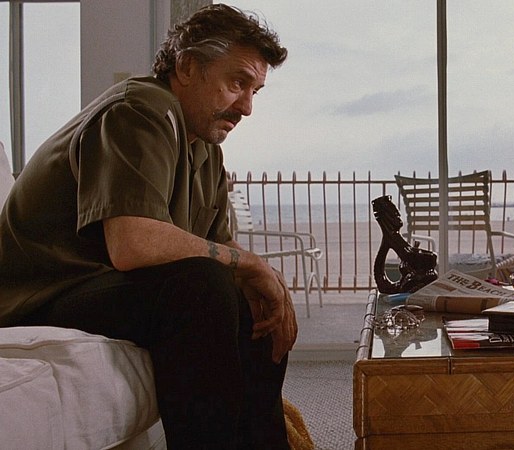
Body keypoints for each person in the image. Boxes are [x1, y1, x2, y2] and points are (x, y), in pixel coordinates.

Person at [0, 5, 296, 449]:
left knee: (251, 296)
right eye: (237, 83)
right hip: (39, 295)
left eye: (255, 91)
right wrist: (249, 264)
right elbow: (132, 244)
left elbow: (219, 244)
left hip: (100, 287)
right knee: (202, 285)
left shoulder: (205, 148)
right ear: (187, 66)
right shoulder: (137, 110)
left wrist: (265, 280)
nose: (247, 107)